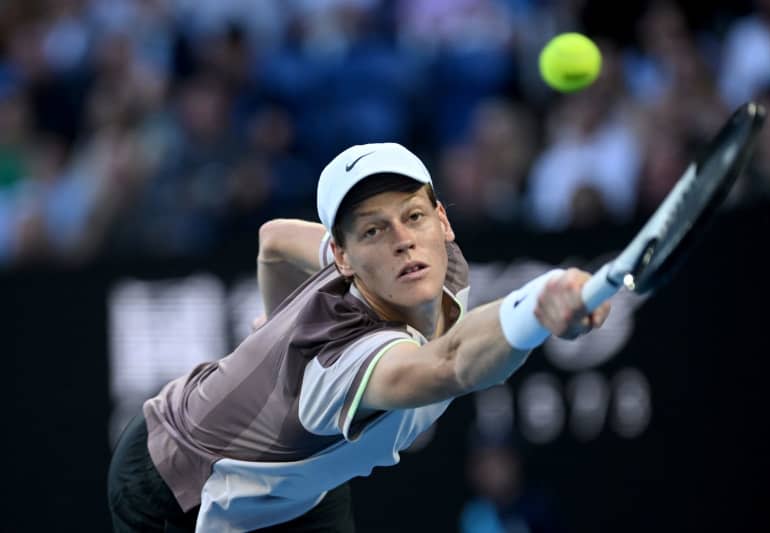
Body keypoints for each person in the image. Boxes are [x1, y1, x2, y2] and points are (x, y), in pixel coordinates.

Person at [107, 142, 611, 532]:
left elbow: (275, 239)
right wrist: (541, 304)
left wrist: (278, 319)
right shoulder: (341, 362)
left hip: (300, 489)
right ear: (343, 255)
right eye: (373, 231)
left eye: (413, 216)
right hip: (181, 485)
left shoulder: (437, 265)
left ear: (443, 220)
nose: (402, 240)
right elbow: (450, 364)